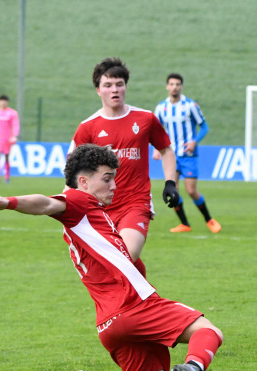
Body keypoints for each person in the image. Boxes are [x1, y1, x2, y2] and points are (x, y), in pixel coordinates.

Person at [0, 143, 224, 371]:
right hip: (135, 306)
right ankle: (194, 367)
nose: (114, 186)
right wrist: (6, 202)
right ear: (83, 181)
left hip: (110, 324)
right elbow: (46, 203)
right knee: (208, 332)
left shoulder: (89, 224)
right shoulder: (79, 201)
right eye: (107, 178)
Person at [69, 57, 181, 277]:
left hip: (135, 203)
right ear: (98, 90)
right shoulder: (88, 127)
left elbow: (166, 150)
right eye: (108, 85)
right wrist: (68, 202)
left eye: (119, 84)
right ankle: (144, 295)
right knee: (115, 264)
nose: (115, 90)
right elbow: (72, 170)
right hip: (100, 208)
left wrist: (170, 183)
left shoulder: (145, 118)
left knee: (125, 255)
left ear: (125, 87)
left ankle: (140, 299)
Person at [154, 73, 221, 234]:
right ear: (167, 86)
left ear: (181, 86)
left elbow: (204, 127)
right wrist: (157, 148)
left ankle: (209, 220)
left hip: (188, 155)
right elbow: (156, 131)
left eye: (177, 84)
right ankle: (185, 224)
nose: (174, 87)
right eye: (171, 84)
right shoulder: (161, 108)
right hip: (171, 155)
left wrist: (194, 141)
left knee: (191, 190)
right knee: (173, 190)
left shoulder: (190, 105)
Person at [0, 94, 20, 183]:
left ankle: (6, 176)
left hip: (7, 138)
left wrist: (15, 136)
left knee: (6, 157)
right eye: (1, 101)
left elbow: (15, 125)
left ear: (7, 102)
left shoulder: (12, 113)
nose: (3, 103)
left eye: (4, 101)